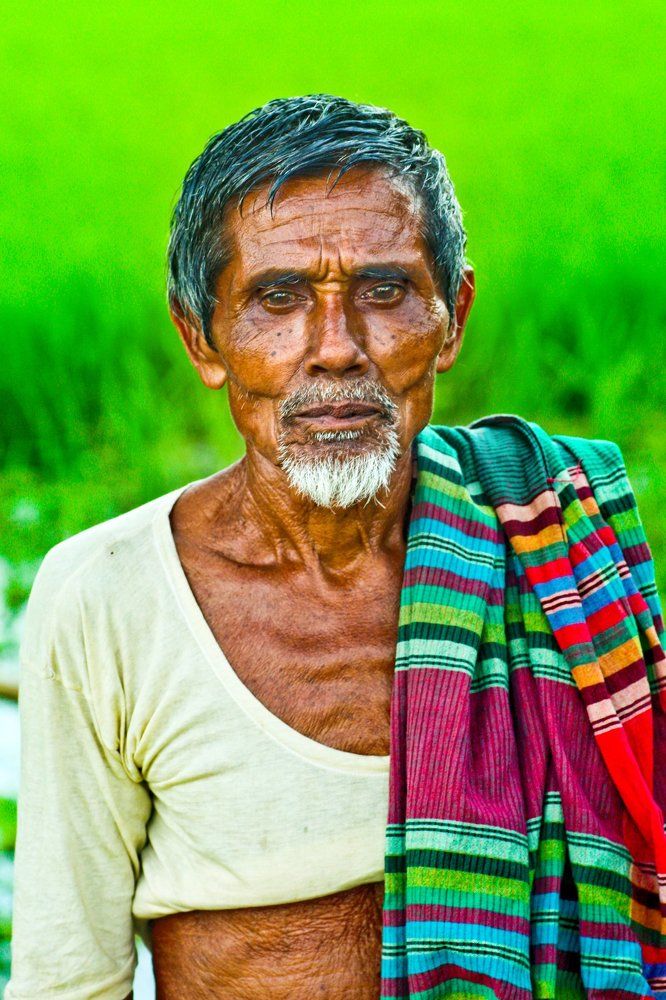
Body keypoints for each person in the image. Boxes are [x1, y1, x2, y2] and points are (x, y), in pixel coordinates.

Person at [6, 95, 665, 1000]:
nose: (336, 350)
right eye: (277, 299)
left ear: (453, 315)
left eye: (384, 292)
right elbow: (66, 976)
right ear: (202, 338)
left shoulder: (557, 556)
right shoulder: (108, 596)